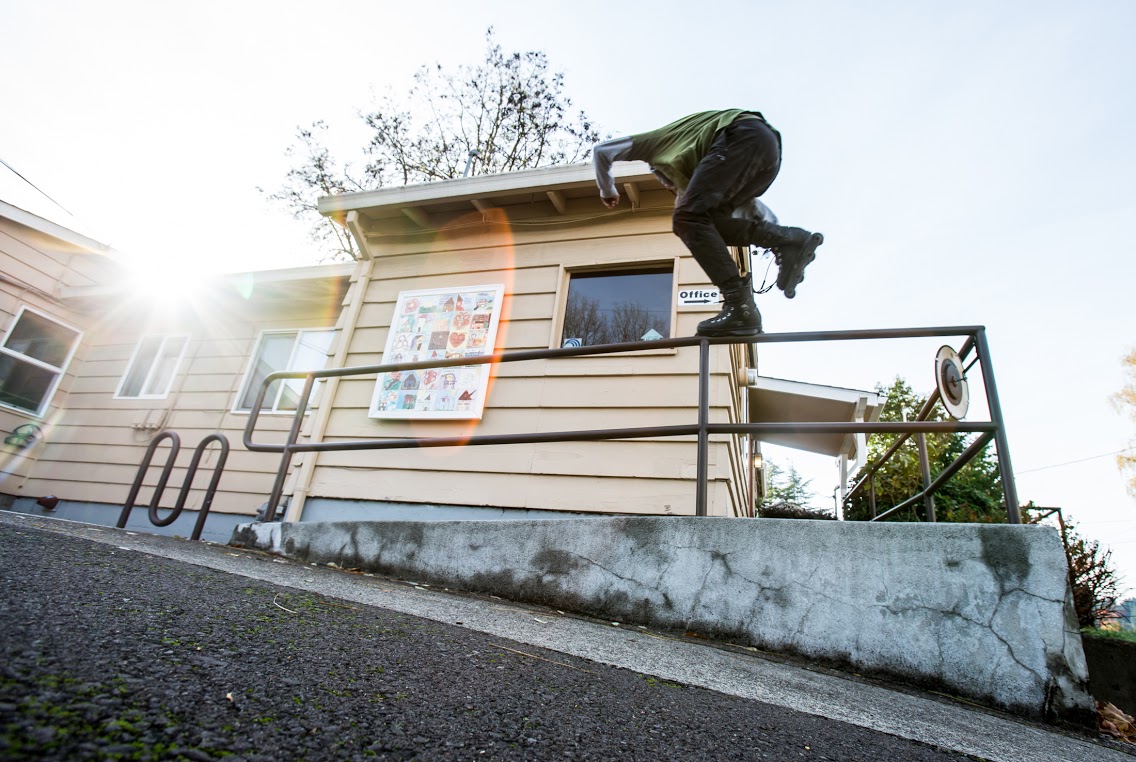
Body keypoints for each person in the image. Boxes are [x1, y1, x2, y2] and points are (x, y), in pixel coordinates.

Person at [593, 109, 823, 336]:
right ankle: (786, 245)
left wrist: (607, 190)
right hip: (767, 157)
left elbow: (601, 151)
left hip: (739, 134)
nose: (674, 189)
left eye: (671, 185)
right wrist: (783, 238)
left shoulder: (655, 144)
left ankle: (739, 306)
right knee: (706, 223)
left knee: (686, 219)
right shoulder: (706, 167)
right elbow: (754, 209)